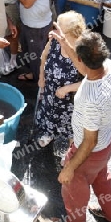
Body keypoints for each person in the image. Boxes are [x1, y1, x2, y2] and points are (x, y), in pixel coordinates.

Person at [49, 28, 111, 222]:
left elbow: (89, 142)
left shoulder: (89, 97)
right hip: (106, 145)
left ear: (80, 58)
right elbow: (86, 67)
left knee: (73, 193)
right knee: (102, 180)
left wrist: (69, 168)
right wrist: (66, 44)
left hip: (88, 153)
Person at [36, 11, 86, 147]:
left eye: (59, 28)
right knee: (49, 114)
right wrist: (41, 76)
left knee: (71, 127)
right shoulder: (54, 40)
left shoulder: (83, 50)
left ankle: (71, 152)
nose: (54, 30)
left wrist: (67, 88)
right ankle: (49, 134)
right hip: (50, 92)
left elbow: (91, 81)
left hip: (71, 101)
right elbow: (44, 56)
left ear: (69, 32)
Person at [9, 0, 52, 82]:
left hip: (36, 26)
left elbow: (27, 3)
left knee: (35, 55)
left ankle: (38, 81)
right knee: (29, 51)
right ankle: (33, 73)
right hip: (30, 22)